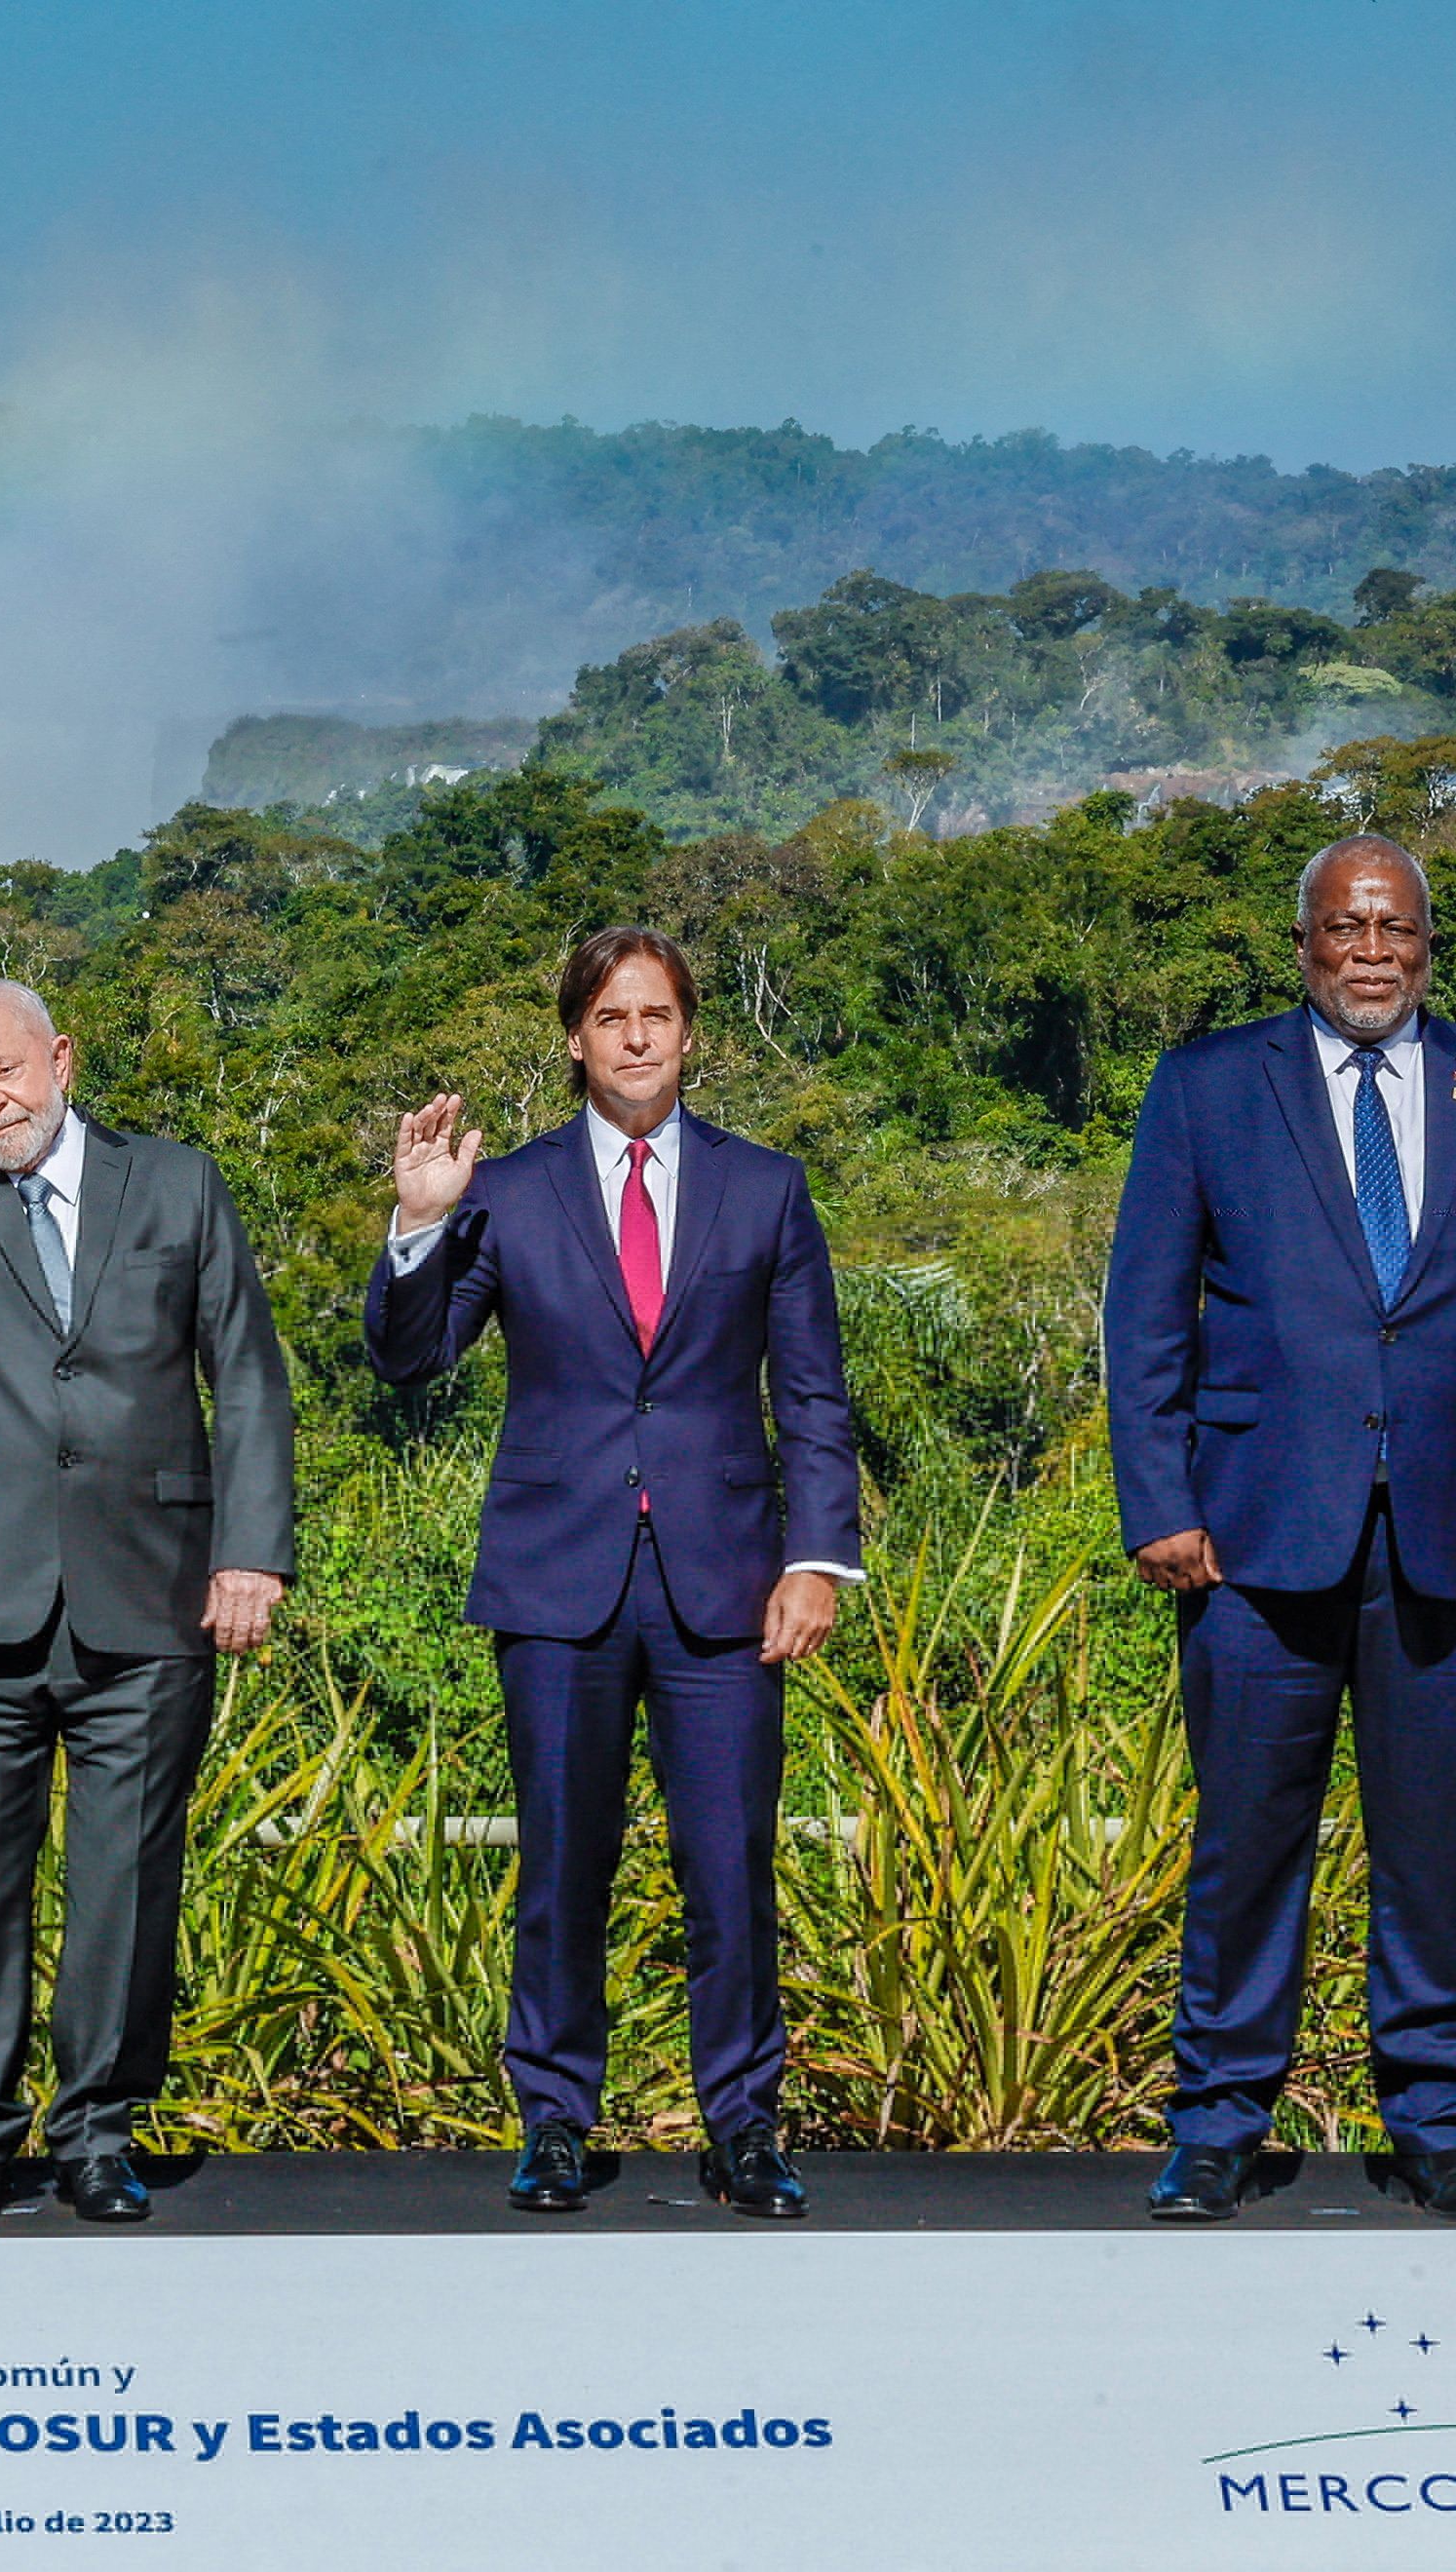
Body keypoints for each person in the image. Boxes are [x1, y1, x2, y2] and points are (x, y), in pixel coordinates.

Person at [1108, 832, 1456, 2224]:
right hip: (1253, 1539)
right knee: (1245, 1842)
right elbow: (1145, 1312)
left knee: (1436, 1845)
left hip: (1448, 1533)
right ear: (1304, 942)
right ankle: (1216, 2122)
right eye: (1347, 927)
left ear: (1429, 942)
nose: (1373, 952)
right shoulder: (1211, 1086)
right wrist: (1156, 1501)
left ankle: (1442, 2125)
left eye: (1396, 928)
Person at [371, 928, 863, 2223]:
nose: (635, 1034)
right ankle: (551, 2120)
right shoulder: (509, 1188)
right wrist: (420, 1226)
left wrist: (814, 1558)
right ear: (574, 1038)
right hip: (556, 1579)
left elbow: (810, 1391)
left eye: (656, 1013)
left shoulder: (765, 1188)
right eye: (609, 1015)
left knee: (730, 1864)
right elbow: (411, 1360)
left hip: (727, 1581)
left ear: (689, 1031)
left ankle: (743, 2125)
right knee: (560, 1861)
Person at [0, 979, 293, 2226]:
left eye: (2, 1073)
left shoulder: (178, 1181)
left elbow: (242, 1367)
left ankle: (98, 2132)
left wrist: (251, 1551)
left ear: (59, 1056)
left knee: (127, 1877)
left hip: (156, 1586)